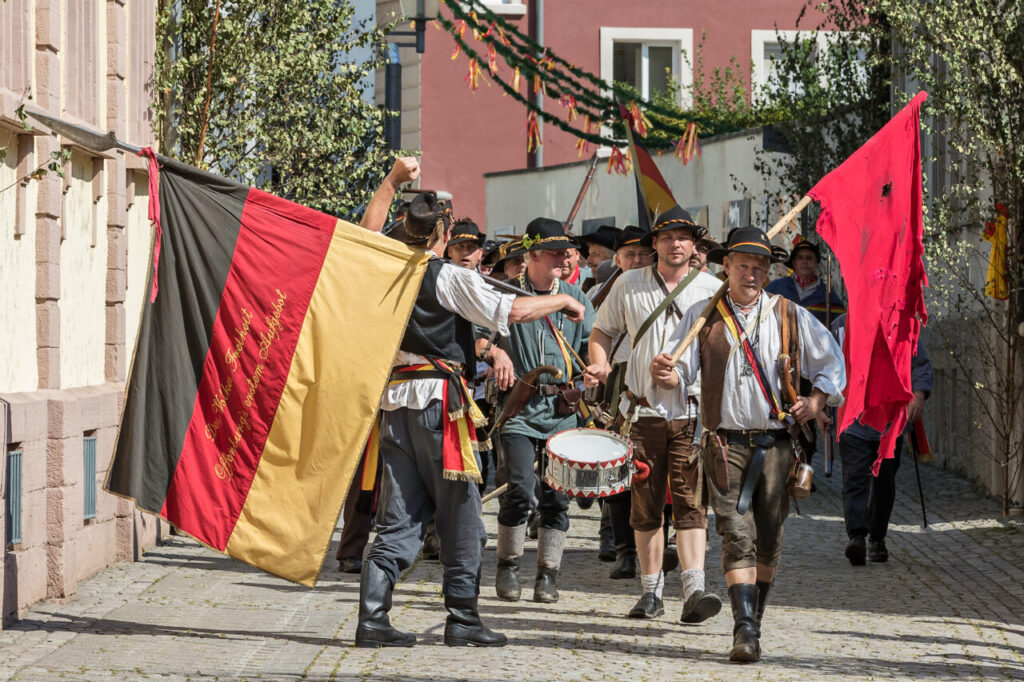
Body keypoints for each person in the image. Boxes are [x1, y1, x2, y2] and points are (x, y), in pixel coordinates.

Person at [354, 158, 587, 648]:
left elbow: (366, 231)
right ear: (440, 235)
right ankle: (462, 619)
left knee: (399, 516)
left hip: (394, 404)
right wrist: (563, 302)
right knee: (460, 514)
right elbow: (515, 309)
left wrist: (393, 180)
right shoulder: (444, 276)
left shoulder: (382, 264)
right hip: (439, 404)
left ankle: (372, 618)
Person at [651, 226, 846, 663]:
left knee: (770, 539)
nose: (753, 273)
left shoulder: (788, 314)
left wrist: (815, 400)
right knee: (736, 535)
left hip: (779, 445)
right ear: (727, 267)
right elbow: (677, 372)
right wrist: (668, 374)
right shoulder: (703, 315)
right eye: (744, 265)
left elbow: (832, 361)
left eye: (760, 266)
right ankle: (744, 630)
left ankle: (752, 619)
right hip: (724, 445)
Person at [585, 207, 724, 622]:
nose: (675, 244)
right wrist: (601, 365)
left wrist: (682, 374)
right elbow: (601, 332)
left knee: (690, 504)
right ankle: (650, 592)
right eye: (667, 237)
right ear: (655, 244)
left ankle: (694, 591)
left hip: (690, 413)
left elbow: (721, 352)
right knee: (645, 506)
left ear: (694, 245)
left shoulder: (712, 289)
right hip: (640, 412)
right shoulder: (628, 283)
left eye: (683, 237)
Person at [487, 218, 595, 605]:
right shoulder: (503, 292)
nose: (563, 259)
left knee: (557, 496)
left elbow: (591, 348)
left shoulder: (578, 296)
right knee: (518, 489)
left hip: (562, 410)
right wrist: (495, 351)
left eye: (566, 252)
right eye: (554, 253)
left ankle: (548, 575)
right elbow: (479, 336)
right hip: (519, 407)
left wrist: (595, 369)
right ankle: (508, 565)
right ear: (531, 256)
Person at [831, 314, 933, 565]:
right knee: (855, 478)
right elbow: (827, 367)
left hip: (890, 421)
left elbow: (919, 364)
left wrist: (918, 395)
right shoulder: (841, 326)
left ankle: (877, 537)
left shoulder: (902, 325)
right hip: (853, 418)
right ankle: (856, 535)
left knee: (884, 481)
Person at [765, 239, 845, 326]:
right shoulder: (775, 287)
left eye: (809, 258)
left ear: (816, 262)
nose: (804, 262)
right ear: (794, 263)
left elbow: (839, 327)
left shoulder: (828, 294)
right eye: (800, 258)